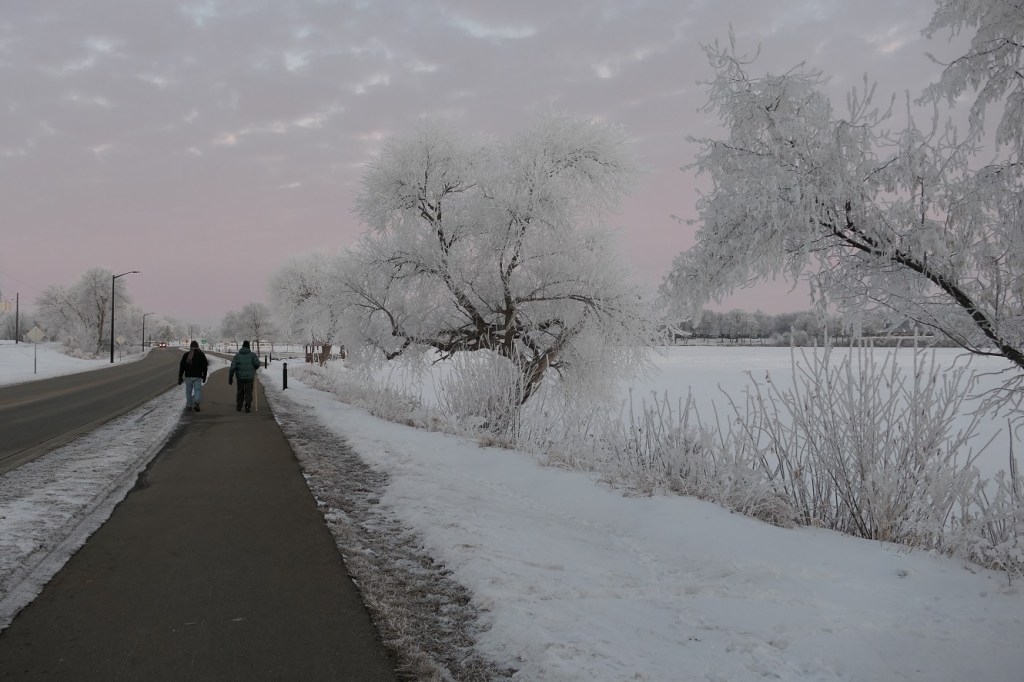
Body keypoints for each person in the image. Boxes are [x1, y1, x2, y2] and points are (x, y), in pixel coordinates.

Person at [229, 340, 261, 412]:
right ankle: (247, 405)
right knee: (248, 391)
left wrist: (230, 377)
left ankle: (239, 406)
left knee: (240, 391)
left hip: (240, 377)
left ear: (242, 346)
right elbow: (257, 364)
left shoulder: (237, 356)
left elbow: (232, 367)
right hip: (250, 377)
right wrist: (255, 367)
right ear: (249, 347)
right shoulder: (253, 355)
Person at [178, 340, 209, 412]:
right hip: (198, 376)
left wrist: (180, 376)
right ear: (197, 347)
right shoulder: (201, 355)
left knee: (188, 391)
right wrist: (204, 376)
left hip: (188, 376)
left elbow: (182, 366)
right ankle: (196, 403)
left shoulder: (186, 355)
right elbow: (205, 366)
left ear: (190, 347)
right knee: (197, 390)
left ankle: (189, 406)